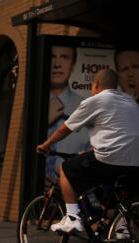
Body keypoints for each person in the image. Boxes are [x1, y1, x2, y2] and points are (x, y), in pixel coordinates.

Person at [37, 68, 139, 233]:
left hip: (113, 158)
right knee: (113, 197)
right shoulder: (130, 101)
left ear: (96, 84)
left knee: (67, 168)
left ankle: (72, 218)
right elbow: (117, 132)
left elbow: (65, 128)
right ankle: (121, 231)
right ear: (116, 85)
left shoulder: (97, 100)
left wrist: (46, 144)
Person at [46, 46, 90, 182]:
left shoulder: (85, 106)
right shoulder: (35, 101)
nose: (57, 64)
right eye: (52, 57)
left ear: (73, 64)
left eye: (64, 57)